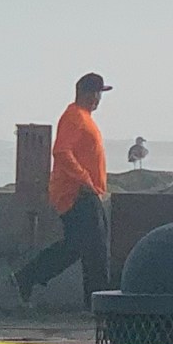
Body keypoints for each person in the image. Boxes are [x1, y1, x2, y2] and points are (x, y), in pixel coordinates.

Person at [18, 73, 113, 307]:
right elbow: (61, 151)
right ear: (89, 94)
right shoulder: (74, 117)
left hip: (86, 192)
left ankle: (27, 277)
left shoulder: (83, 117)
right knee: (96, 250)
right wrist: (84, 179)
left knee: (77, 247)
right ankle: (97, 304)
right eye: (98, 93)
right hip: (78, 194)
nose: (99, 98)